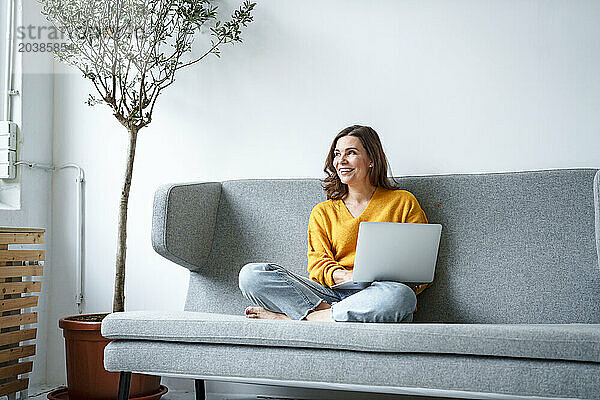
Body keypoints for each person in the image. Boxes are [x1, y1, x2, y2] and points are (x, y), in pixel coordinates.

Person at [238, 125, 432, 322]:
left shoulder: (402, 202)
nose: (341, 161)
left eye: (351, 153)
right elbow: (317, 266)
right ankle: (330, 315)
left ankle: (305, 320)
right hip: (329, 295)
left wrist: (402, 286)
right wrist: (347, 277)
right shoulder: (323, 212)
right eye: (337, 154)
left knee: (401, 296)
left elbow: (421, 266)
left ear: (371, 160)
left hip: (378, 293)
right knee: (251, 275)